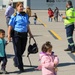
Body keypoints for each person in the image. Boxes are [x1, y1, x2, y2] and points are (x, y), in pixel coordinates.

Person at [8, 2, 33, 72]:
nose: (22, 8)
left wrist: (30, 33)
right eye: (20, 6)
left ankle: (16, 59)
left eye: (22, 6)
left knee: (23, 49)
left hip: (24, 35)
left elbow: (27, 25)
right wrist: (9, 35)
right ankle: (20, 66)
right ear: (17, 7)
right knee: (18, 51)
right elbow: (10, 26)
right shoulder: (14, 16)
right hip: (16, 35)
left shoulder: (26, 15)